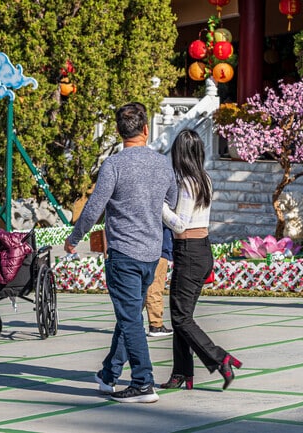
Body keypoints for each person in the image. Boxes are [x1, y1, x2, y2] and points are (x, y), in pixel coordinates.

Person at [64, 102, 177, 403]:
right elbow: (173, 199)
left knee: (129, 320)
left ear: (118, 132)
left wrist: (74, 238)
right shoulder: (163, 164)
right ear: (145, 129)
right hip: (152, 252)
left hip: (124, 252)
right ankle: (108, 375)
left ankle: (143, 382)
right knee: (129, 316)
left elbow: (93, 209)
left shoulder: (113, 165)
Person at [160, 129, 242, 391]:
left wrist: (160, 206)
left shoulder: (186, 183)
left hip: (189, 249)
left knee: (181, 318)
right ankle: (181, 373)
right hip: (202, 249)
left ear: (179, 154)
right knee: (181, 317)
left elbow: (180, 223)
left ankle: (220, 358)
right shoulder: (204, 178)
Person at [145, 225, 174, 337]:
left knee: (145, 288)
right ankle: (156, 324)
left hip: (145, 248)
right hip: (159, 249)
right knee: (155, 287)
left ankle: (132, 320)